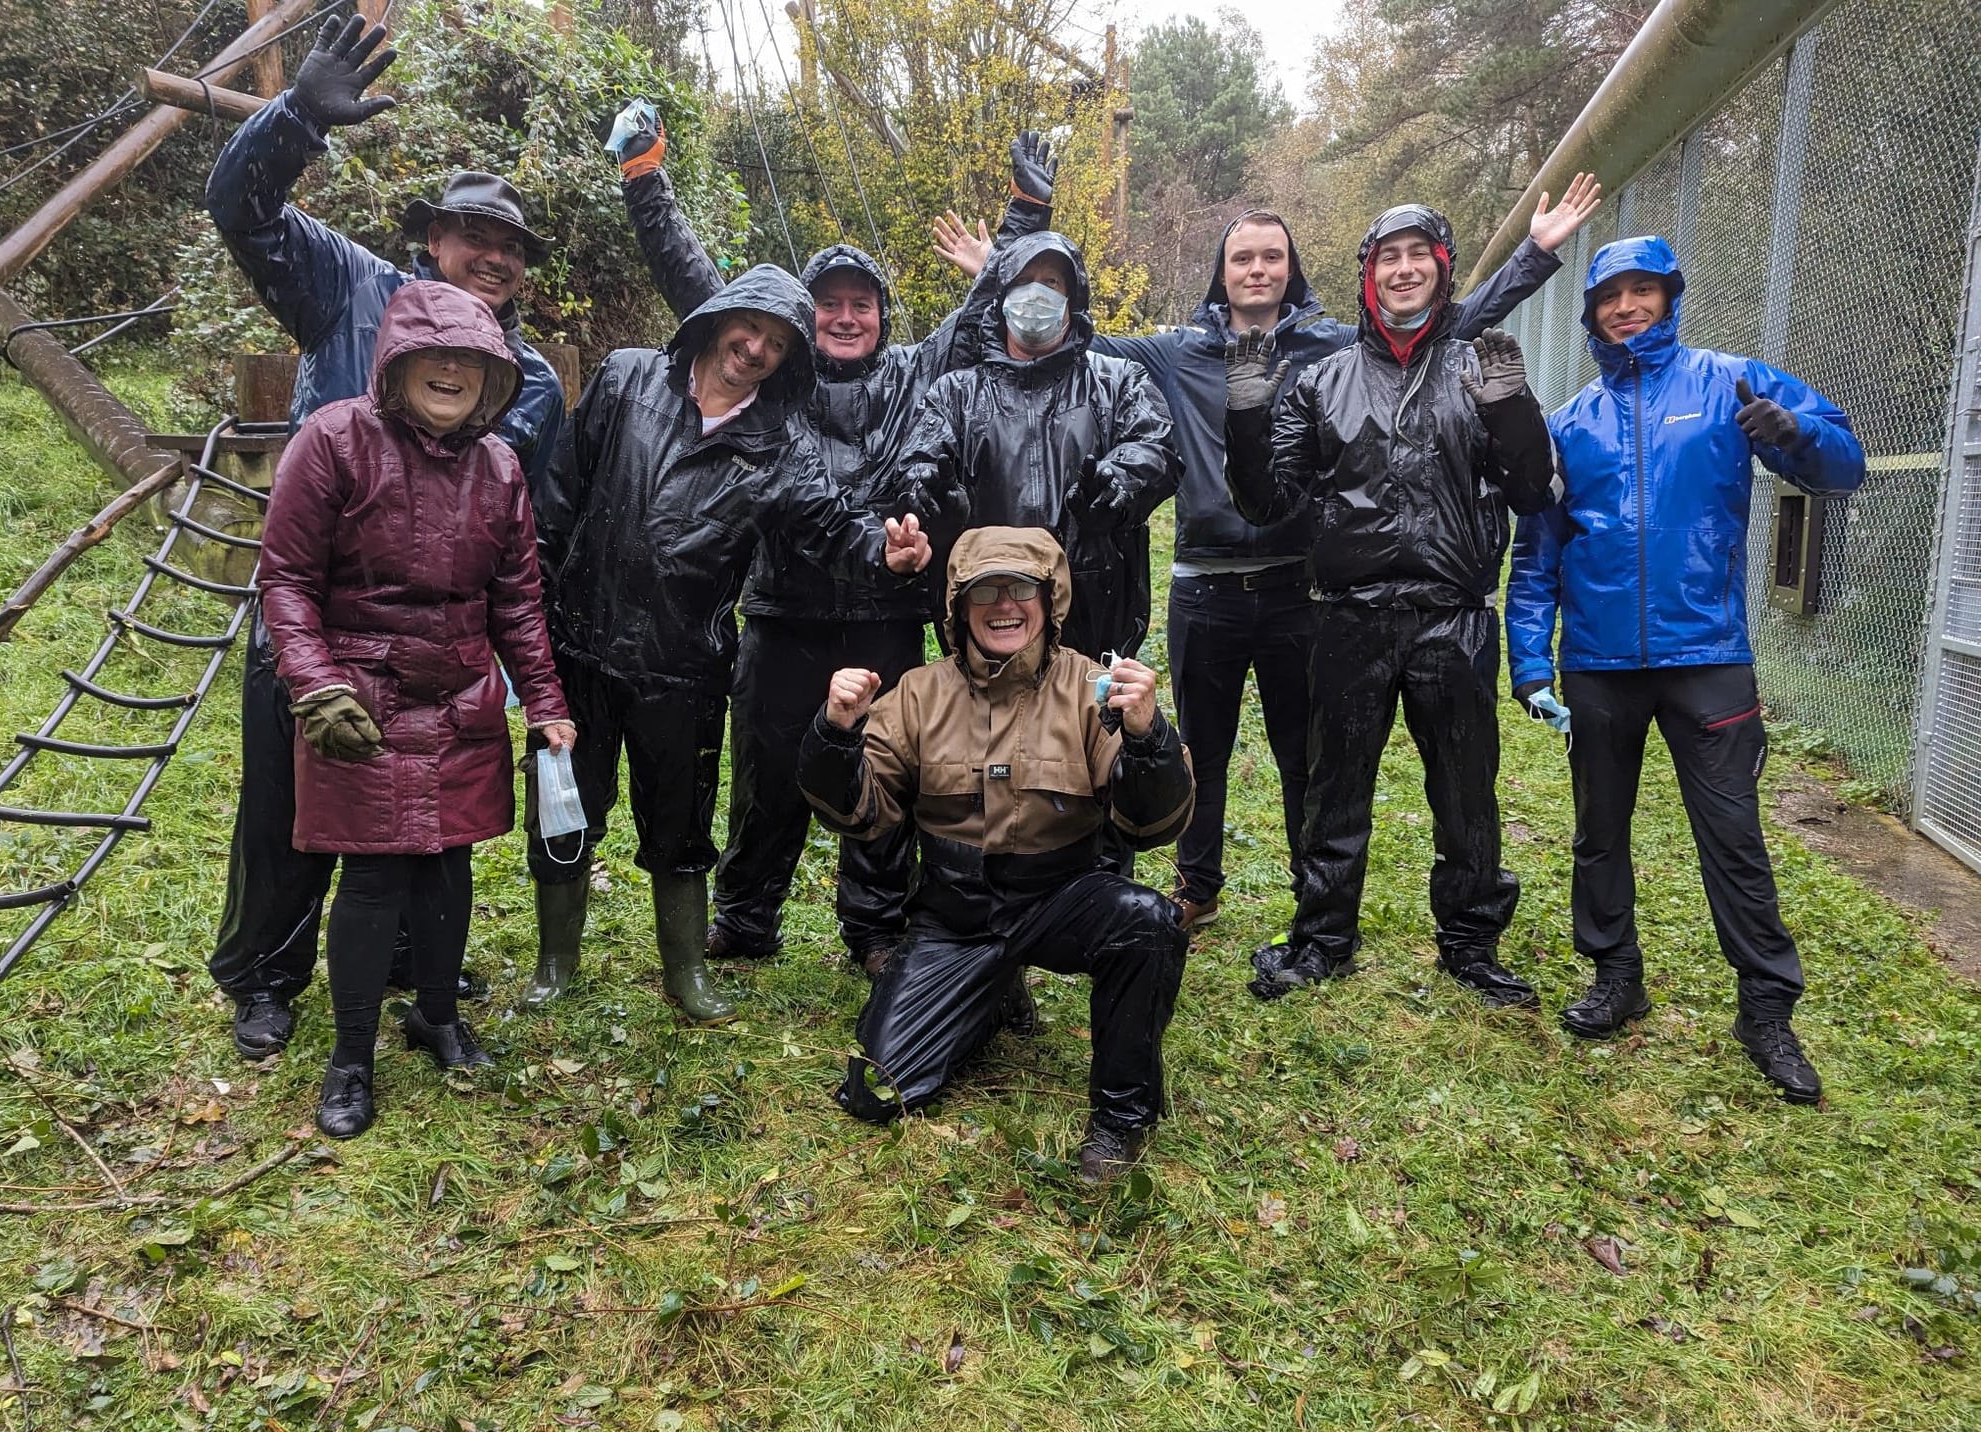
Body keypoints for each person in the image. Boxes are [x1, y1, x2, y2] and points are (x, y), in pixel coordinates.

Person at [597, 109, 1054, 981]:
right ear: (803, 318)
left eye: (862, 304)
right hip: (781, 611)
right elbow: (699, 286)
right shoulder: (775, 385)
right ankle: (747, 914)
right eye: (829, 305)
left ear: (882, 314)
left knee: (882, 774)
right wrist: (648, 178)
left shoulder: (918, 372)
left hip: (884, 617)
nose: (845, 318)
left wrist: (1026, 208)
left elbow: (982, 307)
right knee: (767, 773)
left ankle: (876, 928)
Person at [1091, 178, 1601, 931]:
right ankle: (1199, 885)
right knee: (1203, 743)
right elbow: (1077, 339)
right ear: (1222, 270)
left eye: (1272, 256)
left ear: (1292, 268)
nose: (1257, 269)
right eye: (1242, 258)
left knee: (1312, 754)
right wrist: (1008, 260)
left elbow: (1444, 322)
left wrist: (1534, 255)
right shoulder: (1179, 352)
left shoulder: (1331, 344)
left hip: (1303, 584)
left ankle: (1317, 890)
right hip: (1208, 583)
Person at [203, 14, 565, 1062]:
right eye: (473, 239)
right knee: (287, 809)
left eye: (510, 250)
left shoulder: (523, 376)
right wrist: (294, 121)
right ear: (431, 242)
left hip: (437, 648)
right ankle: (266, 977)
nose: (491, 258)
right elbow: (241, 207)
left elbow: (517, 530)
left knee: (428, 820)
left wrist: (529, 675)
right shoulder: (349, 283)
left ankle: (413, 967)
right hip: (317, 618)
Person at [1504, 236, 1866, 1104]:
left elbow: (1841, 462)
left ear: (1668, 298)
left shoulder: (1728, 381)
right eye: (1610, 296)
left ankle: (1766, 1010)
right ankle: (1615, 975)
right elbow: (1539, 553)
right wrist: (1529, 663)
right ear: (1591, 312)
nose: (1626, 307)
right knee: (1599, 830)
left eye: (1642, 292)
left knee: (1733, 836)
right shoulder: (1571, 423)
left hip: (1707, 656)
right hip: (1598, 663)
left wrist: (1796, 434)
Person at [529, 265, 933, 1025]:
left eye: (778, 343)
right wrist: (533, 640)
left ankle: (686, 970)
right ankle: (555, 964)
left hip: (684, 667)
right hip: (579, 650)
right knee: (562, 807)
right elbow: (556, 501)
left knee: (680, 827)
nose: (755, 348)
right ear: (717, 319)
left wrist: (887, 552)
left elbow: (831, 526)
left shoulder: (778, 445)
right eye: (749, 327)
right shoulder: (625, 380)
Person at [255, 280, 575, 1138]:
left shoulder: (501, 465)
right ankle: (351, 1056)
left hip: (463, 694)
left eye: (468, 360)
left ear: (491, 376)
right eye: (433, 355)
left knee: (448, 864)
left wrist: (543, 701)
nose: (449, 371)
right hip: (359, 701)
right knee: (372, 875)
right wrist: (313, 680)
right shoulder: (331, 442)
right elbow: (284, 580)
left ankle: (435, 1012)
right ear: (395, 363)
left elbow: (517, 599)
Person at [1224, 205, 1555, 1004]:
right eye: (1387, 259)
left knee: (1465, 790)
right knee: (1335, 790)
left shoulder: (1478, 366)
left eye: (1419, 256)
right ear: (1368, 276)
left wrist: (1511, 412)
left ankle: (1472, 943)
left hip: (1454, 615)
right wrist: (1245, 417)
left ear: (1442, 266)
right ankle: (1322, 939)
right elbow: (1267, 503)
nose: (1403, 270)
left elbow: (1531, 489)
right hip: (1350, 615)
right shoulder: (1325, 380)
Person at [799, 527, 1193, 1183]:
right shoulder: (919, 694)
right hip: (956, 915)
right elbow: (856, 813)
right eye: (985, 591)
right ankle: (990, 990)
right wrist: (836, 733)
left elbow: (1154, 824)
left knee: (1147, 922)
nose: (1004, 605)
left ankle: (1122, 1118)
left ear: (1049, 600)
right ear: (957, 607)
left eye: (1021, 589)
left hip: (1062, 899)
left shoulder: (1096, 689)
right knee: (878, 1091)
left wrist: (1150, 738)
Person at [897, 231, 1183, 663]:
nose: (1036, 293)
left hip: (1095, 614)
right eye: (1024, 280)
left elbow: (1157, 446)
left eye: (1051, 282)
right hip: (986, 609)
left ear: (1072, 298)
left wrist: (1119, 481)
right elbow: (918, 461)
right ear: (1003, 296)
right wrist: (931, 494)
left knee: (1087, 727)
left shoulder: (1117, 381)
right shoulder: (955, 392)